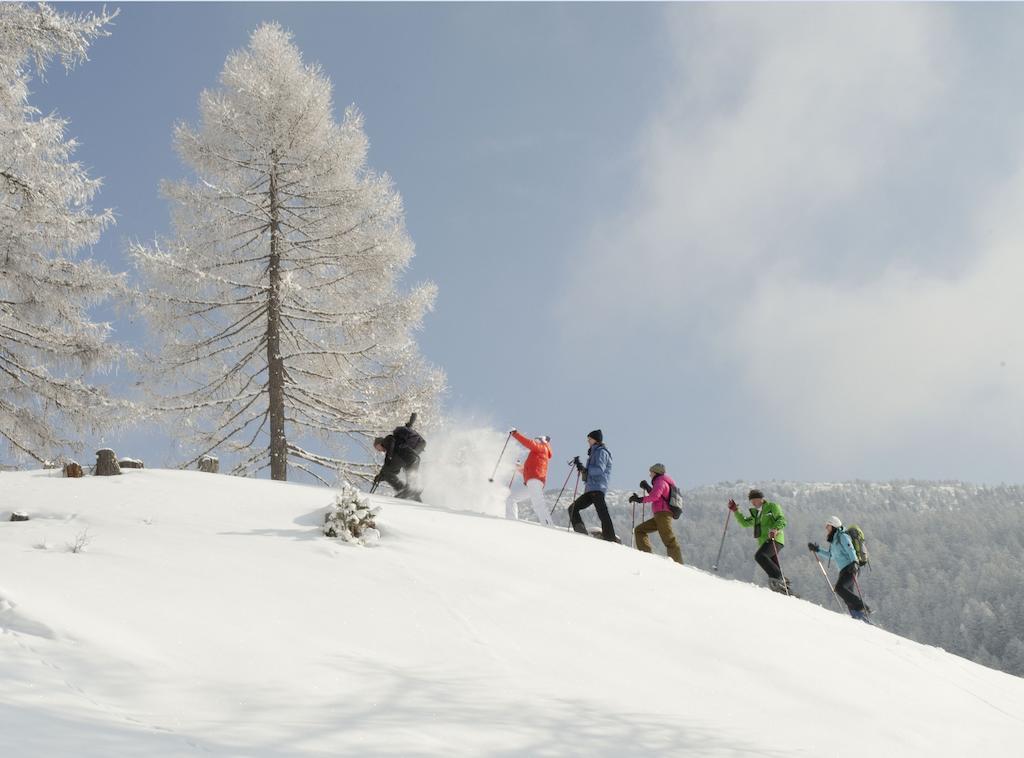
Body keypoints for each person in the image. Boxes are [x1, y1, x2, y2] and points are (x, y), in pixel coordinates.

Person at [728, 489, 791, 593]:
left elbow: (781, 519)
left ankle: (779, 580)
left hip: (775, 539)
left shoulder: (772, 507)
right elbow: (744, 523)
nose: (753, 503)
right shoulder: (756, 514)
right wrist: (735, 511)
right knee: (771, 565)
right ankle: (784, 589)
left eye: (754, 500)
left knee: (760, 556)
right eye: (751, 501)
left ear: (761, 499)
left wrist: (775, 529)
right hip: (764, 543)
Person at [808, 516, 870, 621]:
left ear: (834, 526)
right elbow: (831, 555)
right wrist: (817, 550)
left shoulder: (843, 537)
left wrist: (854, 563)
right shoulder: (834, 541)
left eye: (828, 526)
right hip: (843, 570)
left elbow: (851, 550)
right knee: (848, 598)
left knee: (839, 588)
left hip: (851, 568)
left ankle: (863, 607)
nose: (827, 529)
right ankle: (859, 616)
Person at [567, 429, 619, 542]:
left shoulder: (601, 452)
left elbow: (600, 469)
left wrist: (585, 469)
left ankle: (610, 537)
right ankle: (581, 533)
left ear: (595, 439)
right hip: (591, 488)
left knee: (602, 512)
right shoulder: (594, 452)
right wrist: (582, 468)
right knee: (573, 508)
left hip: (597, 487)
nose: (588, 441)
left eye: (589, 439)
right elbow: (590, 473)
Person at [628, 463, 683, 564]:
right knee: (639, 530)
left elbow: (655, 496)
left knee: (669, 539)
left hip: (663, 515)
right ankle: (646, 555)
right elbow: (657, 494)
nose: (650, 475)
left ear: (656, 472)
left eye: (651, 472)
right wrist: (647, 487)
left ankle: (678, 563)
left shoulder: (660, 481)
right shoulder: (661, 482)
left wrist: (639, 499)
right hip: (660, 515)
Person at [506, 429, 554, 526]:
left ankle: (548, 525)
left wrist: (515, 434)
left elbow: (528, 443)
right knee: (511, 499)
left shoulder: (542, 448)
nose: (535, 441)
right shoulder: (536, 454)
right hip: (531, 482)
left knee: (538, 503)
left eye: (537, 440)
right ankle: (511, 521)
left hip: (535, 481)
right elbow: (527, 472)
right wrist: (519, 468)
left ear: (542, 441)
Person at [372, 413, 425, 501]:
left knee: (387, 472)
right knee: (410, 481)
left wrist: (387, 460)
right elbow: (394, 470)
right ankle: (414, 496)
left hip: (404, 455)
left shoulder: (387, 440)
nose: (379, 450)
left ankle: (402, 489)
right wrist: (381, 475)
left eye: (377, 448)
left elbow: (391, 446)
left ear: (379, 443)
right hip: (414, 458)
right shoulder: (399, 444)